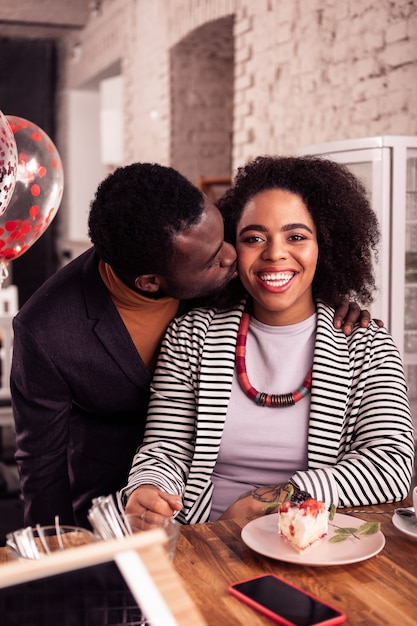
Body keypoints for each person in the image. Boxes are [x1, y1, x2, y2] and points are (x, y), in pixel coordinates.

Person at [11, 162, 373, 529]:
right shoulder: (46, 330)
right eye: (214, 259)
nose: (231, 256)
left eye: (226, 236)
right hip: (115, 498)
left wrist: (331, 302)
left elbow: (281, 273)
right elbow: (42, 466)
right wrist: (52, 554)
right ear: (152, 282)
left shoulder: (215, 265)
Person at [123, 155, 415, 526]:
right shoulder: (191, 336)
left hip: (311, 541)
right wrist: (148, 488)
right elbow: (165, 449)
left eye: (296, 236)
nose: (275, 253)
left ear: (324, 245)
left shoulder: (366, 345)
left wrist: (269, 500)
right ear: (231, 248)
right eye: (254, 238)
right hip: (202, 538)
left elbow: (390, 464)